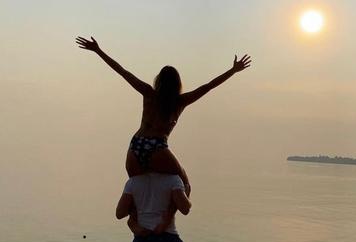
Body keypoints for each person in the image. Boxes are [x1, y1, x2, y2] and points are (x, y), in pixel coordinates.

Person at [76, 36, 252, 197]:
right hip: (157, 147)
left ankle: (137, 225)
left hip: (136, 145)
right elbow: (209, 86)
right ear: (177, 84)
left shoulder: (149, 93)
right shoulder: (180, 101)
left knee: (136, 191)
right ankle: (166, 223)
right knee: (185, 185)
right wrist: (233, 70)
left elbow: (123, 72)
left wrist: (98, 51)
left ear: (158, 81)